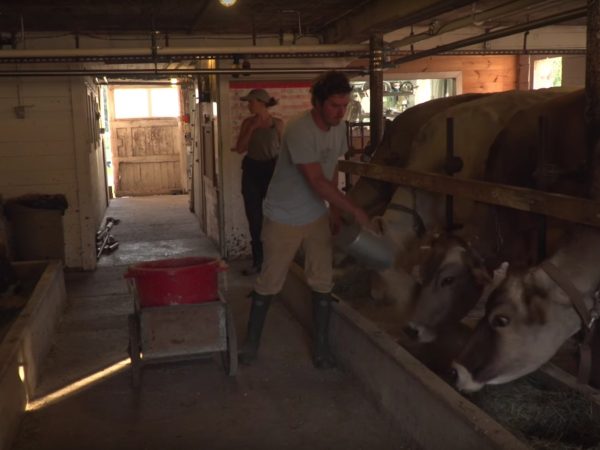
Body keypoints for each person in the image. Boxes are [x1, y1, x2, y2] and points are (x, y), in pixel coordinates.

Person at [239, 71, 372, 369]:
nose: (341, 112)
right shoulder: (299, 129)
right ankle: (251, 344)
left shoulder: (338, 127)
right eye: (335, 106)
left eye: (345, 105)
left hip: (315, 215)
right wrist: (354, 209)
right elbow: (315, 180)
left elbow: (332, 167)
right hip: (283, 215)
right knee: (270, 281)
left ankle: (321, 348)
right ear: (317, 103)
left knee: (322, 280)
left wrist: (334, 211)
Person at [233, 88, 284, 276]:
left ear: (261, 103)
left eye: (251, 102)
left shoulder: (277, 124)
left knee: (275, 218)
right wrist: (252, 129)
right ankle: (258, 261)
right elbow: (240, 148)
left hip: (271, 172)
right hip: (252, 171)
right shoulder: (248, 123)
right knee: (254, 219)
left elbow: (284, 152)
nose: (248, 105)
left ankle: (276, 260)